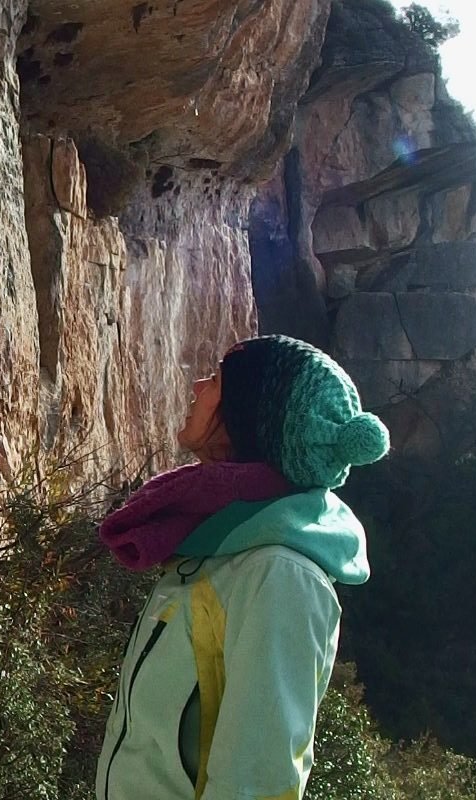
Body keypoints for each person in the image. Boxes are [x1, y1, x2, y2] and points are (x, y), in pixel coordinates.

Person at [94, 335, 389, 800]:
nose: (197, 386)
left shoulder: (281, 576)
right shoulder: (224, 546)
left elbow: (256, 783)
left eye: (215, 380)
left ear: (248, 417)